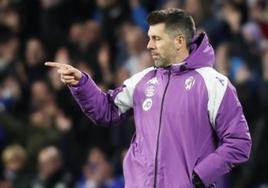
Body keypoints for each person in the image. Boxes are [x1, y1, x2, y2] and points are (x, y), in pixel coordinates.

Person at [45, 8, 252, 188]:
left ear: (179, 41)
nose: (148, 45)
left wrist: (199, 176)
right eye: (149, 38)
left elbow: (239, 142)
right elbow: (105, 111)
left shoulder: (214, 83)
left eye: (156, 38)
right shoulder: (142, 80)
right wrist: (81, 83)